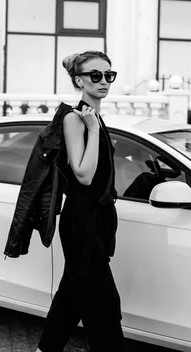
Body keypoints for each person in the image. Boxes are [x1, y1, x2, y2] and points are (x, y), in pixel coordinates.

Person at [36, 51, 126, 352]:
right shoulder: (76, 119)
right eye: (95, 75)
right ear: (79, 80)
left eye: (108, 75)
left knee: (71, 297)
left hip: (96, 219)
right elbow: (84, 174)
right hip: (80, 222)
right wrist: (92, 129)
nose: (104, 81)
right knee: (104, 302)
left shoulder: (94, 117)